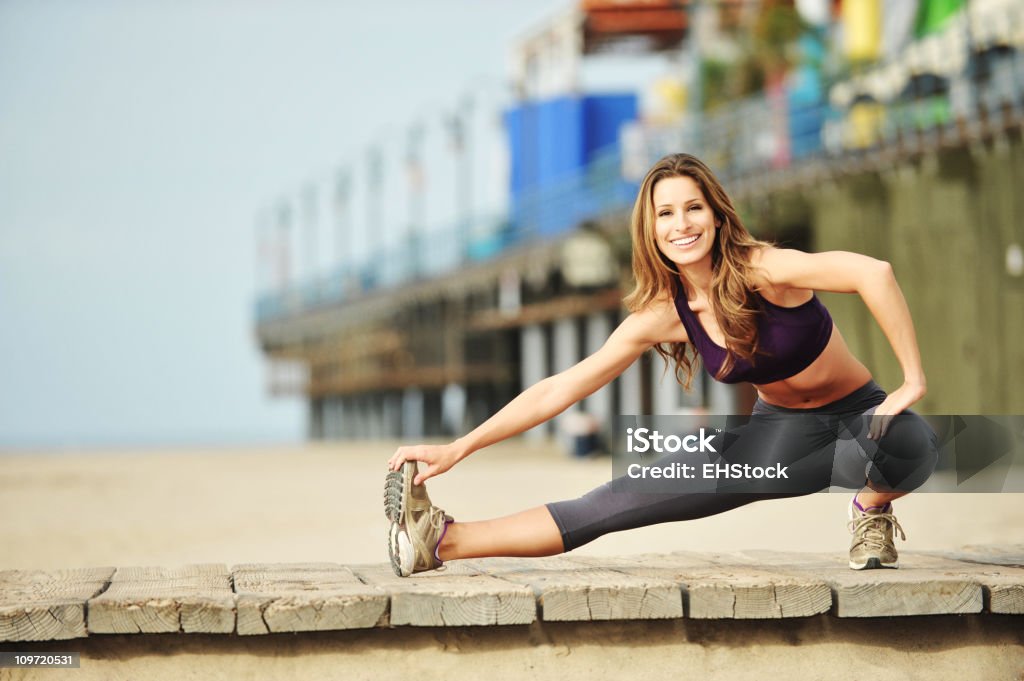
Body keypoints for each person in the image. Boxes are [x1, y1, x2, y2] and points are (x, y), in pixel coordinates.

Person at [384, 153, 938, 577]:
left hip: (860, 415)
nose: (682, 224)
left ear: (717, 217)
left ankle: (870, 508)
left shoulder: (767, 270)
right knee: (614, 503)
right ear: (651, 230)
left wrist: (911, 379)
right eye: (665, 213)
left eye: (694, 208)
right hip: (776, 442)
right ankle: (440, 540)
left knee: (914, 440)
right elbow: (563, 387)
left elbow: (875, 273)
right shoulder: (664, 316)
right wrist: (459, 447)